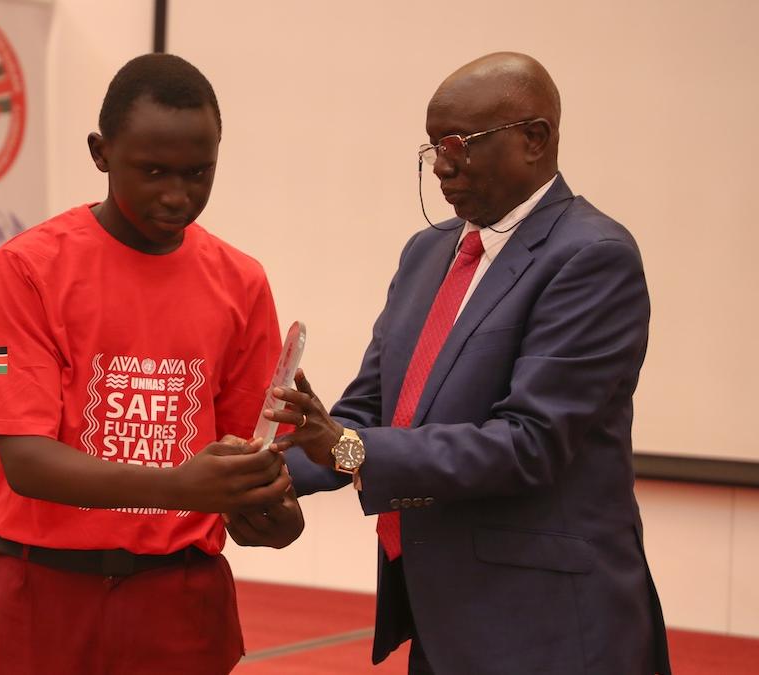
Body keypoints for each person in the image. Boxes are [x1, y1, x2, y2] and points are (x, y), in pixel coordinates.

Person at [268, 52, 671, 674]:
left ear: (535, 140)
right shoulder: (427, 253)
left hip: (548, 625)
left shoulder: (592, 256)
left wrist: (346, 449)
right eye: (432, 146)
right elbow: (370, 407)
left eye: (459, 143)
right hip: (442, 612)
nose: (441, 166)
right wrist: (263, 471)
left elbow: (527, 444)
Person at [0, 53, 303, 675]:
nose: (177, 193)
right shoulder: (30, 267)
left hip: (180, 601)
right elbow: (26, 462)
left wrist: (271, 511)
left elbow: (252, 454)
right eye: (152, 171)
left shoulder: (241, 282)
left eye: (199, 172)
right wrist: (177, 486)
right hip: (44, 597)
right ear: (100, 152)